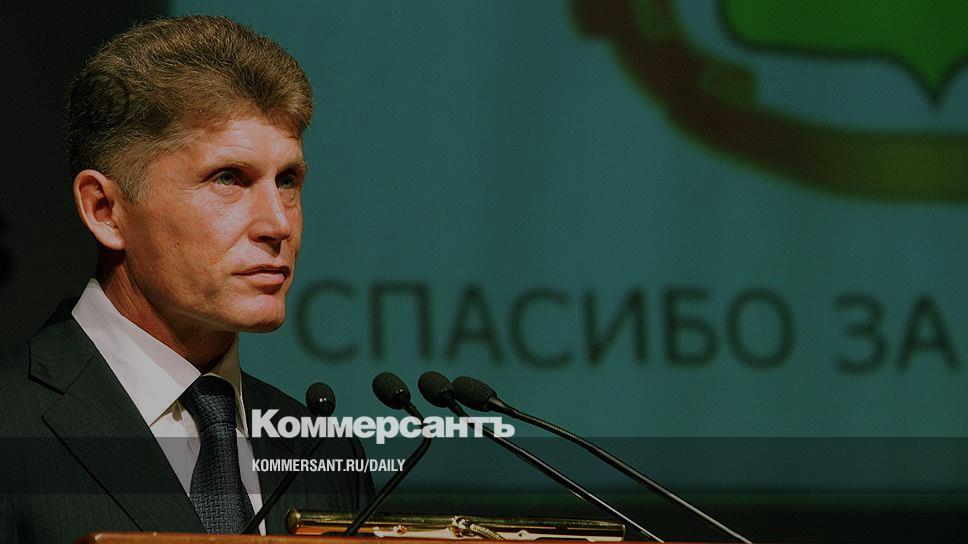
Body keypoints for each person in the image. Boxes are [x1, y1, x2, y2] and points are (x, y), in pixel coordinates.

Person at [0, 15, 373, 541]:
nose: (278, 224)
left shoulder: (325, 451)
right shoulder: (11, 423)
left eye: (288, 180)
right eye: (229, 178)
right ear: (105, 210)